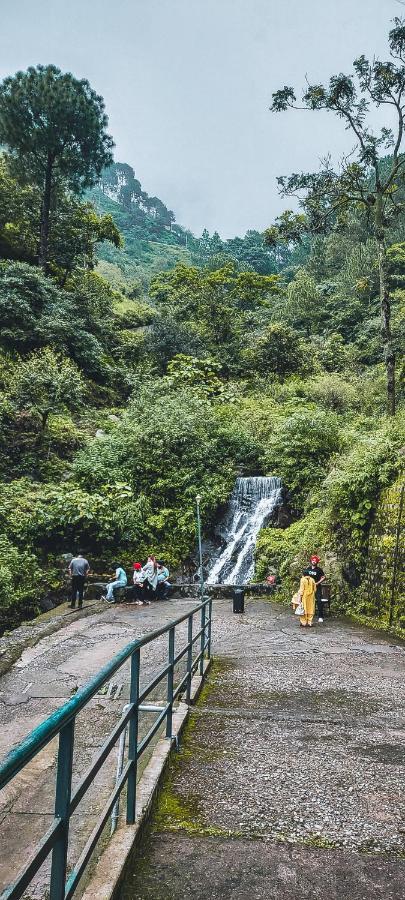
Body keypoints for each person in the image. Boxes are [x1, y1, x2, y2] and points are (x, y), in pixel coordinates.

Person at [303, 555, 326, 623]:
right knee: (306, 600)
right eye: (313, 560)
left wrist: (318, 583)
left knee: (319, 601)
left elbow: (324, 577)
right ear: (311, 561)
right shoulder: (308, 568)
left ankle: (320, 616)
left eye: (315, 561)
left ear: (317, 562)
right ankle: (306, 615)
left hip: (317, 587)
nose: (314, 562)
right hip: (308, 587)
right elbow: (304, 576)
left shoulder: (319, 570)